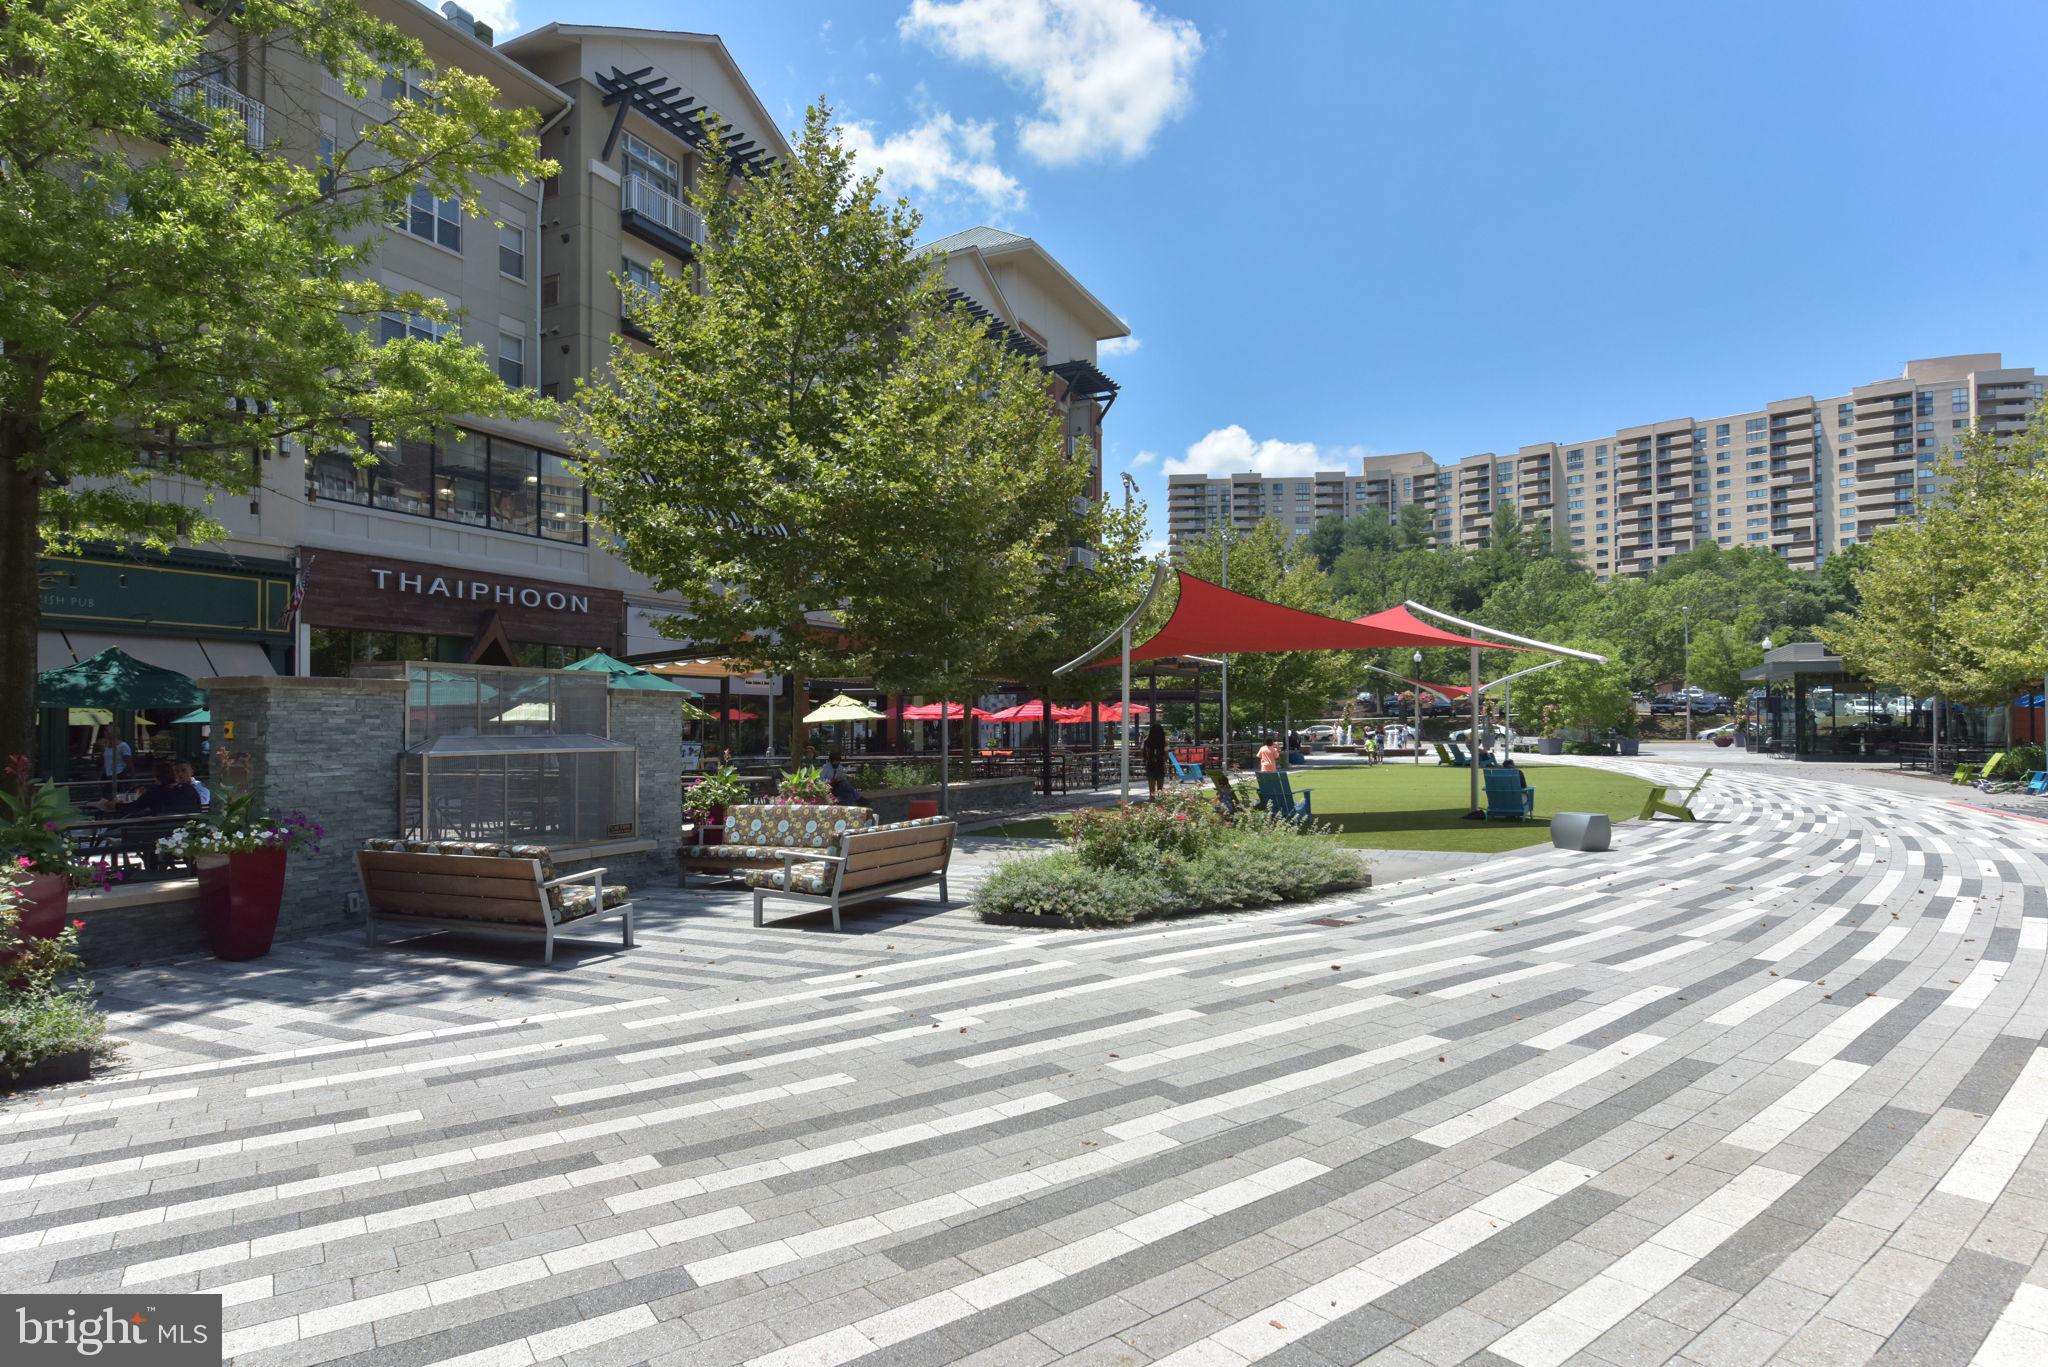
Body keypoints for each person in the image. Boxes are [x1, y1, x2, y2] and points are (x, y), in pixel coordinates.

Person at [1142, 721, 1168, 797]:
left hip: (1150, 764)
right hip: (1160, 764)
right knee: (1160, 789)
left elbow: (1142, 751)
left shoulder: (1147, 741)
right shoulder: (1164, 741)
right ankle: (1160, 804)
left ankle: (1152, 801)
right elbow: (1166, 755)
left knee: (1151, 790)